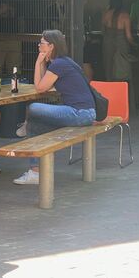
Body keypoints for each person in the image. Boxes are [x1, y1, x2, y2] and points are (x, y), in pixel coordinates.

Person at [13, 29, 96, 185]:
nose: (39, 46)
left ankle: (25, 125)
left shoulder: (58, 64)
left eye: (42, 43)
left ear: (51, 46)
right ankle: (35, 172)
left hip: (79, 113)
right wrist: (42, 64)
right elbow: (44, 83)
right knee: (35, 125)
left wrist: (38, 62)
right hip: (85, 113)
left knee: (33, 108)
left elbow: (39, 87)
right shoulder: (63, 62)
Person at [102, 0, 136, 82]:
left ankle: (109, 87)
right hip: (121, 46)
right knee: (122, 70)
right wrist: (135, 45)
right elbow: (129, 37)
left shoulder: (106, 14)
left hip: (108, 45)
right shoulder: (125, 16)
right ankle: (121, 88)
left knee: (108, 68)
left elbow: (103, 31)